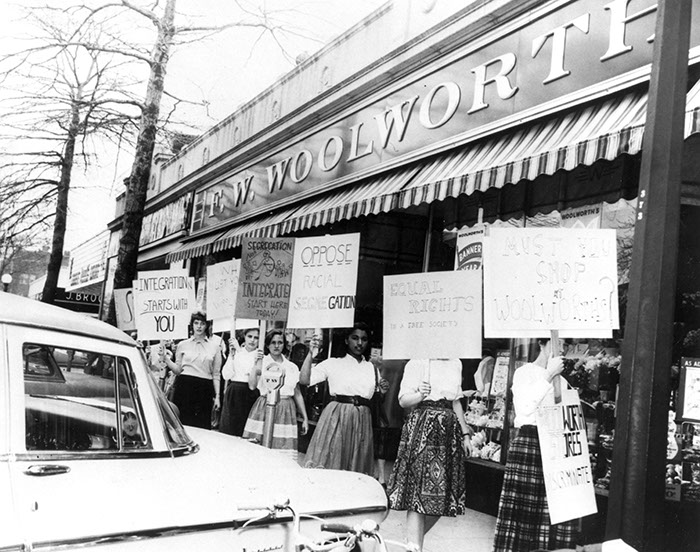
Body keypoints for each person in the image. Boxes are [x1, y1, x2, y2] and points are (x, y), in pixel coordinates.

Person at [493, 337, 576, 552]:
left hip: (554, 447)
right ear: (542, 343)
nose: (563, 349)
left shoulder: (564, 382)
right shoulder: (525, 372)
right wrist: (548, 374)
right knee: (522, 512)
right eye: (559, 343)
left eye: (566, 345)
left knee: (548, 513)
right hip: (529, 442)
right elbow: (525, 407)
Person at [387, 358, 472, 552]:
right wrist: (420, 394)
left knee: (443, 496)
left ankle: (410, 542)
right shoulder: (417, 362)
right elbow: (403, 400)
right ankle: (415, 546)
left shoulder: (455, 363)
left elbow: (456, 402)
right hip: (423, 427)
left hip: (448, 432)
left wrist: (465, 434)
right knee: (418, 494)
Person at [300, 322, 387, 475]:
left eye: (364, 339)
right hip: (337, 417)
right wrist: (310, 354)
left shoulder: (372, 368)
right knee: (333, 458)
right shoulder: (333, 363)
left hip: (362, 419)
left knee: (356, 465)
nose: (359, 343)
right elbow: (305, 380)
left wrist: (383, 391)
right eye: (355, 338)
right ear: (347, 340)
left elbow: (376, 399)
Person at [242, 329, 309, 461]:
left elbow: (297, 393)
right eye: (273, 342)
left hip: (286, 411)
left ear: (284, 344)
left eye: (280, 342)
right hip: (264, 408)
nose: (276, 346)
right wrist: (256, 366)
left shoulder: (291, 367)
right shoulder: (262, 362)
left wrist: (305, 418)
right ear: (267, 345)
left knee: (282, 453)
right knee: (257, 450)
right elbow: (252, 386)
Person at [163, 311, 221, 430]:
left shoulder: (215, 347)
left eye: (202, 323)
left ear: (207, 326)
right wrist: (166, 359)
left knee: (202, 425)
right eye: (196, 323)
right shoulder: (182, 345)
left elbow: (216, 374)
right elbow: (178, 370)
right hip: (185, 387)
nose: (199, 326)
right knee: (183, 424)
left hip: (204, 389)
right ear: (192, 325)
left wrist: (218, 396)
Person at [219, 327, 263, 436]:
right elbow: (226, 375)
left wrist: (238, 352)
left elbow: (250, 375)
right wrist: (231, 355)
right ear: (244, 337)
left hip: (250, 393)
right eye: (249, 336)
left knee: (246, 429)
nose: (252, 340)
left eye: (256, 337)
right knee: (229, 429)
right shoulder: (236, 352)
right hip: (234, 393)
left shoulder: (260, 356)